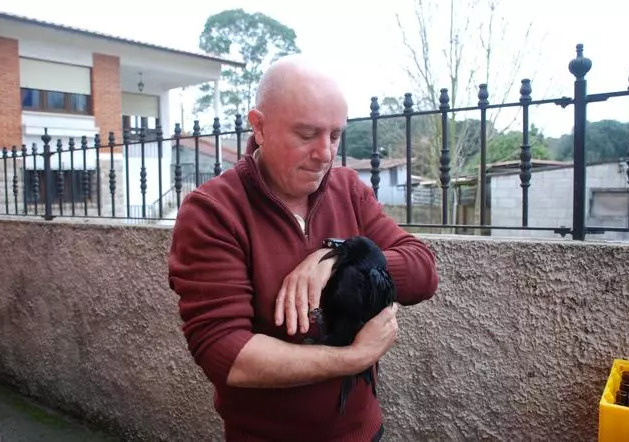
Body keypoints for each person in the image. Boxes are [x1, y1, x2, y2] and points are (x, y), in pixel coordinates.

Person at [167, 54, 439, 442]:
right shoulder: (214, 211)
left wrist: (339, 259)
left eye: (335, 135)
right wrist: (354, 358)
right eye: (307, 134)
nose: (326, 153)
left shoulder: (349, 190)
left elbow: (423, 271)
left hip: (364, 432)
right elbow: (227, 353)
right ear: (259, 127)